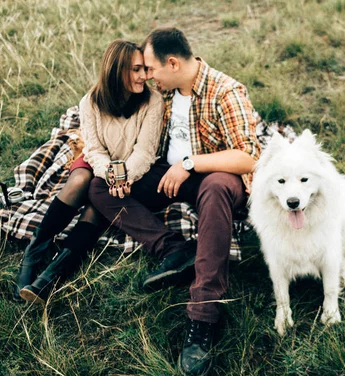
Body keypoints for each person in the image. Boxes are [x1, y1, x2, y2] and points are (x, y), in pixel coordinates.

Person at [88, 27, 261, 375]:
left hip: (215, 176)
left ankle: (203, 315)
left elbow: (249, 157)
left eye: (150, 69)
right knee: (99, 188)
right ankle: (172, 250)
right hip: (169, 175)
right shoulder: (163, 93)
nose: (147, 77)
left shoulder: (225, 91)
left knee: (213, 190)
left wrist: (189, 164)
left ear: (171, 63)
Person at [15, 39, 164, 304]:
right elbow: (93, 149)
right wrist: (109, 174)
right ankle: (36, 249)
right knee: (80, 179)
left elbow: (145, 151)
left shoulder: (153, 101)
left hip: (131, 168)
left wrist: (123, 176)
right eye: (136, 69)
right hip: (98, 163)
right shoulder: (91, 102)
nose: (144, 76)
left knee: (97, 207)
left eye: (144, 69)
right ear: (117, 70)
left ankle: (51, 275)